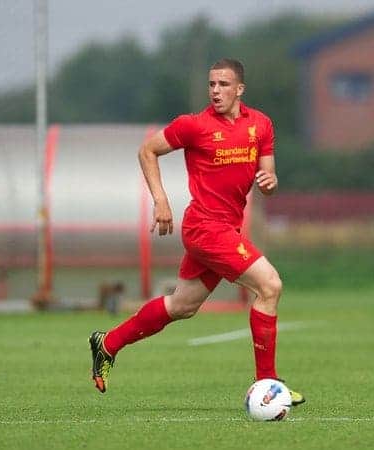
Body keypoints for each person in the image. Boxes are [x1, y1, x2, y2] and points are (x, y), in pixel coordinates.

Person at [89, 58, 305, 406]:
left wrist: (271, 182)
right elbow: (147, 150)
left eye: (223, 84)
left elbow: (269, 178)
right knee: (270, 285)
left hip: (226, 228)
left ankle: (107, 344)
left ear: (240, 89)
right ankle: (267, 384)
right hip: (205, 228)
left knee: (182, 305)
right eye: (211, 84)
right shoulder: (194, 125)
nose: (215, 91)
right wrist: (160, 201)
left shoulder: (261, 125)